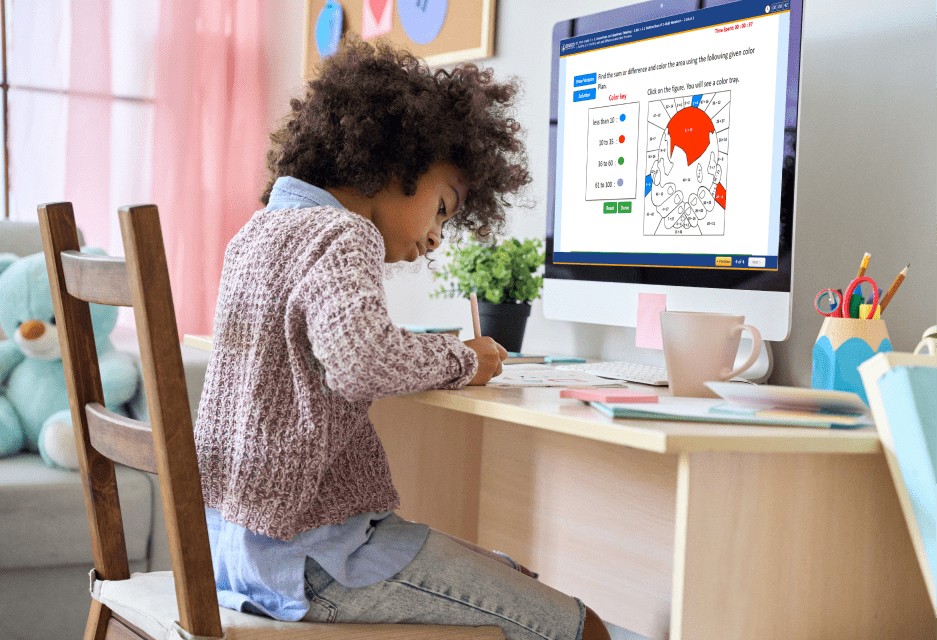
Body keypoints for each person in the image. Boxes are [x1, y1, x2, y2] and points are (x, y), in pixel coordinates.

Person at [194, 37, 611, 640]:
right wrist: (463, 359)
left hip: (228, 557)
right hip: (311, 561)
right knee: (575, 624)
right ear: (397, 163)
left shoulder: (258, 232)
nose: (439, 238)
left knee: (502, 572)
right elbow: (361, 360)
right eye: (443, 208)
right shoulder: (342, 234)